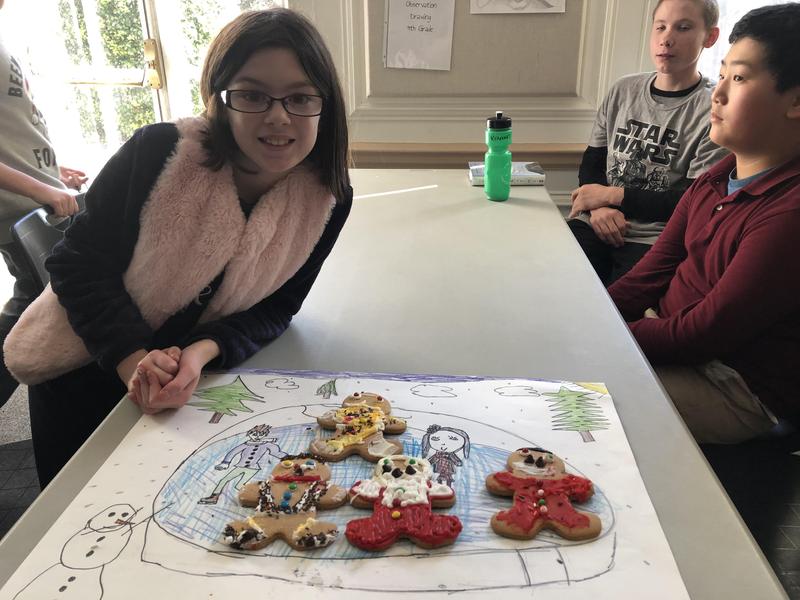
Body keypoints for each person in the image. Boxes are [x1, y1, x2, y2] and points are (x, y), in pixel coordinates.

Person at [3, 7, 352, 486]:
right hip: (83, 369)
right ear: (219, 98)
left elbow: (278, 307)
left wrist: (202, 352)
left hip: (189, 390)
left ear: (324, 104)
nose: (277, 116)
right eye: (251, 95)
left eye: (299, 97)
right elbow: (75, 263)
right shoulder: (158, 152)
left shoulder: (329, 198)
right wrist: (132, 359)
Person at [608, 3, 800, 444]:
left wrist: (609, 337)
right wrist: (593, 318)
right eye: (724, 73)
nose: (718, 93)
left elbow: (706, 333)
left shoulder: (789, 212)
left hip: (734, 389)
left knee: (580, 397)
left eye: (740, 78)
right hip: (676, 346)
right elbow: (649, 275)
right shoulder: (718, 176)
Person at [567, 0, 727, 285]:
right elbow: (592, 164)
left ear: (710, 37)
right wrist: (599, 207)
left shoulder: (712, 108)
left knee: (620, 312)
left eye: (683, 27)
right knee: (558, 287)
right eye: (660, 27)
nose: (667, 38)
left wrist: (612, 196)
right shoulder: (623, 90)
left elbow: (689, 202)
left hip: (655, 239)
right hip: (595, 222)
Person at [0, 0, 85, 409]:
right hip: (16, 207)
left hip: (30, 194)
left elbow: (13, 129)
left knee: (40, 300)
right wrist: (39, 189)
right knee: (37, 308)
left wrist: (51, 170)